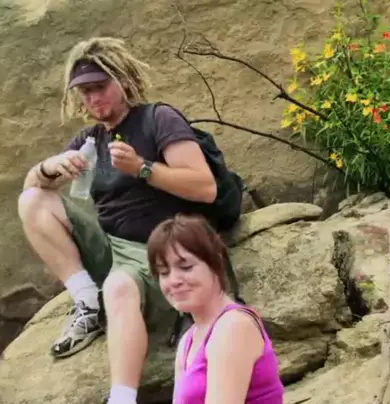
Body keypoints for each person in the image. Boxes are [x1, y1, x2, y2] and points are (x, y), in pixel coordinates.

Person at [17, 36, 223, 404]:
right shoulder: (89, 139)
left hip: (159, 250)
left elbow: (205, 188)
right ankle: (87, 303)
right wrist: (49, 167)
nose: (93, 98)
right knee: (33, 199)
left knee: (118, 287)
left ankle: (122, 399)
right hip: (111, 248)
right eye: (85, 92)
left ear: (124, 81)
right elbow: (33, 189)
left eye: (100, 87)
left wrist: (142, 168)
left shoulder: (158, 119)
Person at [146, 214, 284, 404]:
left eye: (186, 267)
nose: (173, 281)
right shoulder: (188, 341)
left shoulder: (233, 327)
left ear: (215, 262)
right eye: (164, 272)